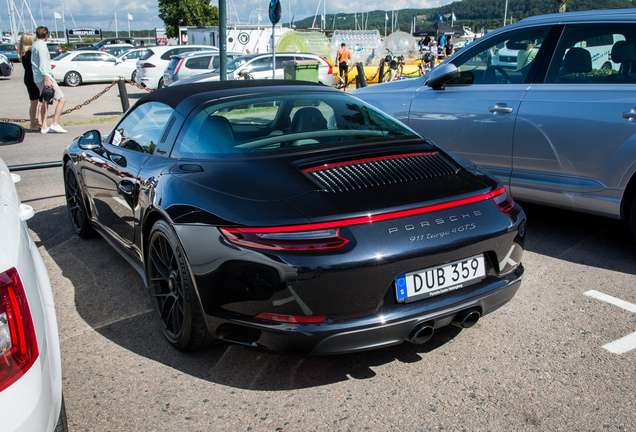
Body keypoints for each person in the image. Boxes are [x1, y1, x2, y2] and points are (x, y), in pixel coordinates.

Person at [31, 26, 67, 134]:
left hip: (37, 77)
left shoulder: (34, 45)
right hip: (44, 77)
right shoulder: (41, 46)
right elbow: (43, 64)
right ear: (47, 35)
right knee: (62, 99)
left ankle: (44, 125)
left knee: (45, 100)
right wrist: (47, 79)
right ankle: (55, 123)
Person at [18, 33, 40, 131]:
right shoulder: (30, 53)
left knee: (34, 102)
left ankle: (34, 122)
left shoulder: (23, 53)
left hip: (27, 77)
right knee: (37, 101)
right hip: (32, 77)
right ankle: (34, 123)